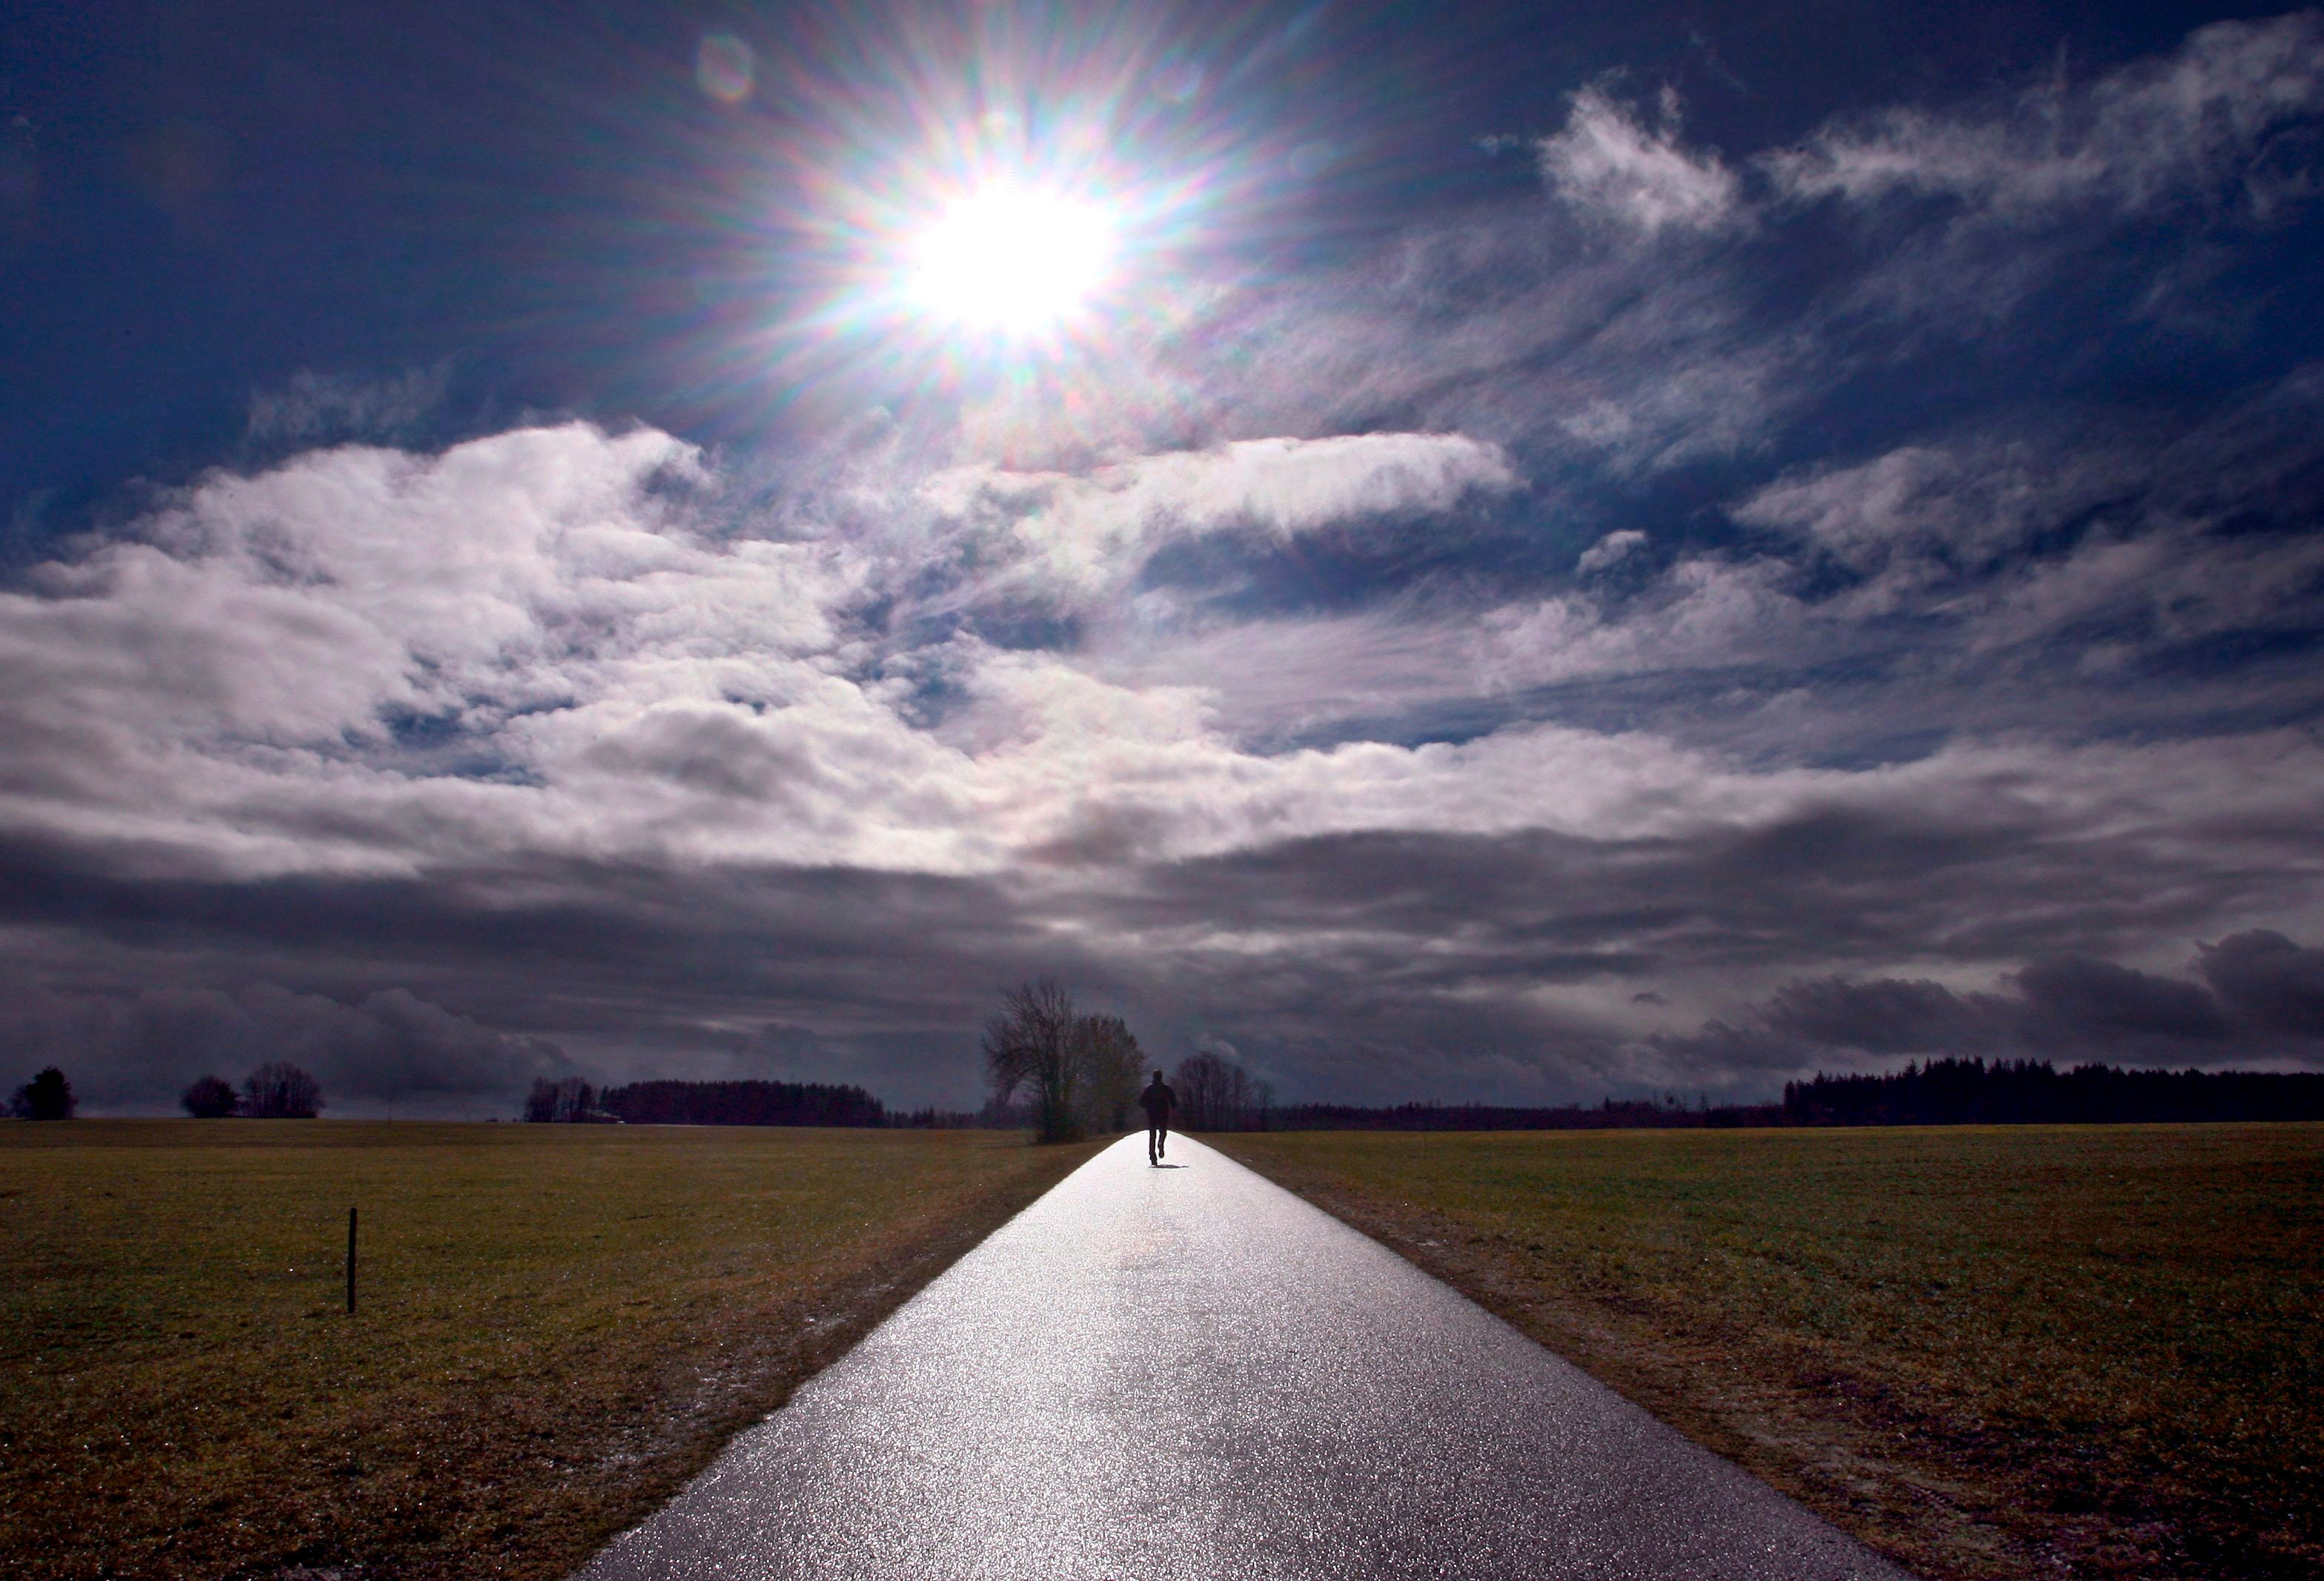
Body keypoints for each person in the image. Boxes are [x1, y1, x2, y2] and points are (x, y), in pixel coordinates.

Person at [1138, 1070, 1176, 1166]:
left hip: (1152, 1114)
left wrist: (1148, 1107)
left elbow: (1141, 1102)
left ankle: (1152, 1156)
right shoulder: (1166, 1088)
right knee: (1163, 1132)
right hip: (1163, 1113)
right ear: (1161, 1077)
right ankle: (1161, 1144)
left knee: (1152, 1136)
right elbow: (1173, 1099)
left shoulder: (1149, 1089)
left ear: (1154, 1077)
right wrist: (1173, 1107)